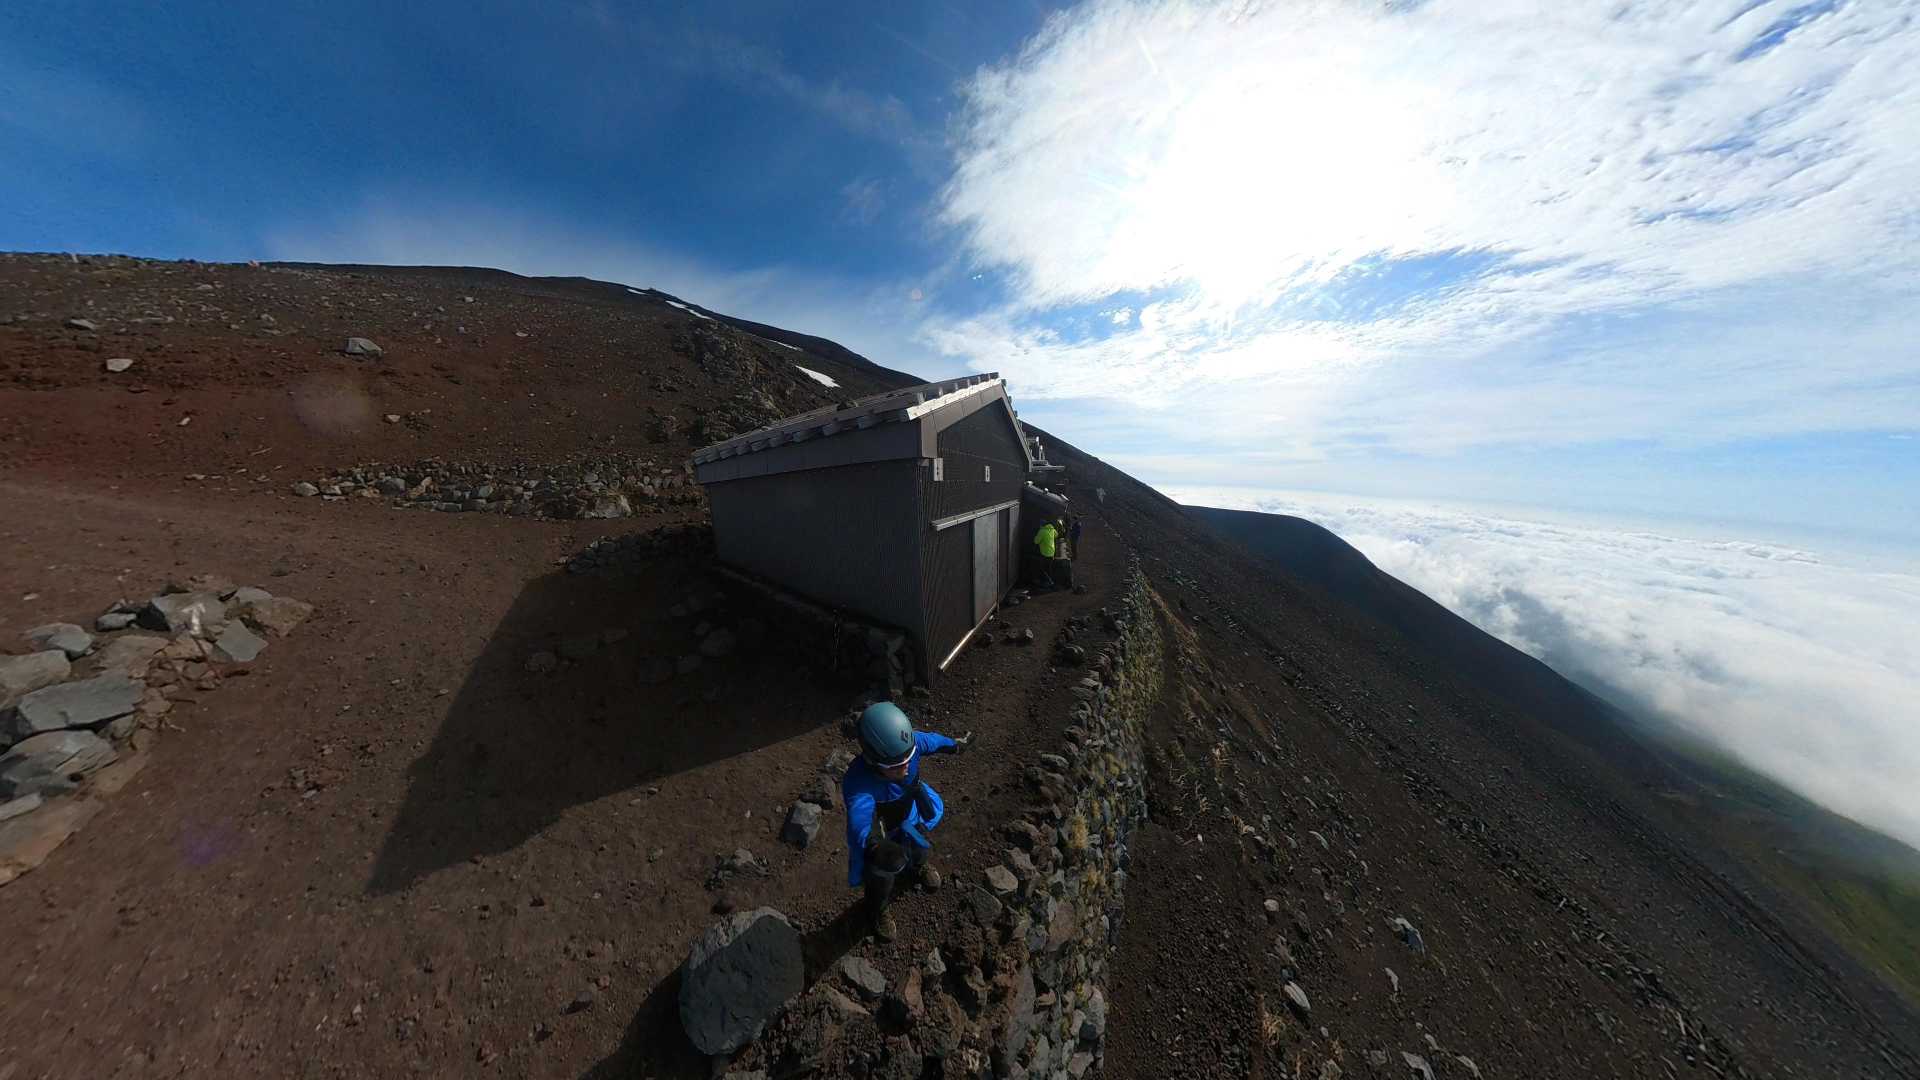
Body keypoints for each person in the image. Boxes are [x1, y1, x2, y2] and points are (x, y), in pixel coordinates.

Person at [843, 702, 971, 940]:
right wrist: (874, 847)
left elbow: (933, 741)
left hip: (910, 815)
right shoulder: (858, 782)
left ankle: (918, 865)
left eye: (909, 758)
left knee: (919, 847)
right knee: (881, 875)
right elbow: (860, 817)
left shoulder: (909, 747)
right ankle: (878, 909)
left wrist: (956, 746)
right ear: (872, 761)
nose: (905, 768)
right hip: (884, 834)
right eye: (895, 766)